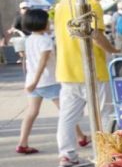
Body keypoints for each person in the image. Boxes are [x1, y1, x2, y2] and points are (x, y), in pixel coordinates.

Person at [54, 0, 116, 167]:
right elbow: (96, 36)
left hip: (66, 70)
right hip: (92, 69)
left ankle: (67, 155)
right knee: (104, 113)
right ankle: (107, 153)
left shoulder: (61, 5)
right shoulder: (91, 4)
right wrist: (114, 51)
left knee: (67, 116)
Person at [16, 9, 88, 154]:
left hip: (33, 82)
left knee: (32, 112)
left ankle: (22, 143)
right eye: (47, 20)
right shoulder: (45, 40)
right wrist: (36, 80)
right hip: (48, 81)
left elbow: (28, 61)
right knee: (67, 112)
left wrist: (31, 81)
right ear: (42, 23)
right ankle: (81, 137)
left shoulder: (29, 40)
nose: (49, 23)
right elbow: (43, 62)